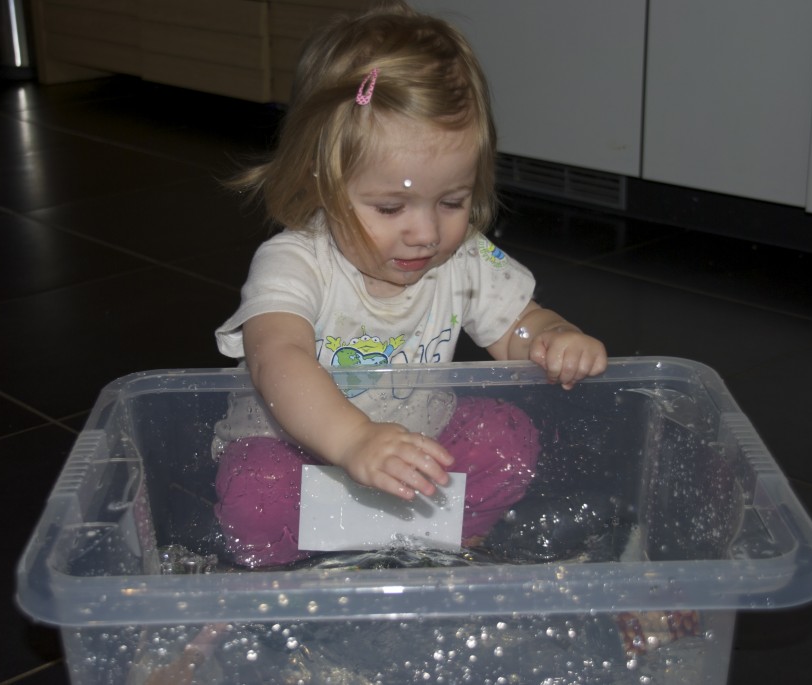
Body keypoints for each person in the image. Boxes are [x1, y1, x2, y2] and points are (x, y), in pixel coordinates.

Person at [212, 0, 607, 568]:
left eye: (451, 201)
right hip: (295, 446)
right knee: (258, 491)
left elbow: (517, 326)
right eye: (391, 206)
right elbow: (278, 357)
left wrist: (554, 337)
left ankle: (447, 543)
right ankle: (284, 579)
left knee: (505, 437)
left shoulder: (462, 255)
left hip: (418, 440)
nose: (425, 232)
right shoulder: (296, 262)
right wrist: (353, 441)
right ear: (321, 180)